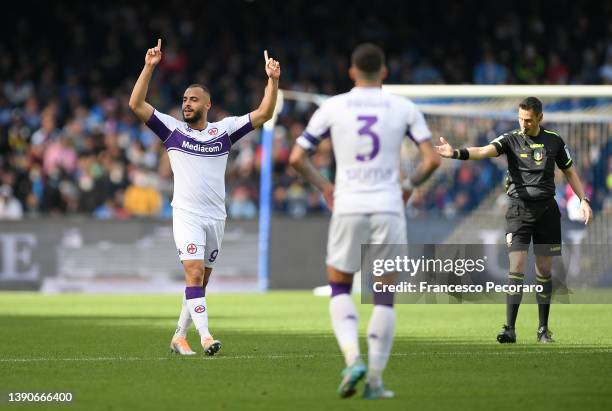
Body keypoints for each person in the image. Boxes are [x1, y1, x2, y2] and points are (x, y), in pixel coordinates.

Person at [289, 43, 440, 399]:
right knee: (384, 296)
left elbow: (296, 156)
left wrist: (326, 187)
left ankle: (352, 357)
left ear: (352, 72)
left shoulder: (333, 106)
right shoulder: (404, 108)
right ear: (384, 72)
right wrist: (406, 186)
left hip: (348, 204)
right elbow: (432, 160)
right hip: (388, 206)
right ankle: (374, 380)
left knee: (340, 286)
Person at [129, 39, 280, 356]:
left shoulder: (223, 131)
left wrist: (273, 80)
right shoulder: (171, 129)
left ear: (207, 105)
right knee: (194, 273)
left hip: (216, 217)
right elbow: (136, 105)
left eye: (193, 100)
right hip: (186, 214)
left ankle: (179, 335)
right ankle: (207, 336)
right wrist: (149, 67)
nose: (187, 104)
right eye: (184, 99)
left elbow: (265, 113)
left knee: (200, 282)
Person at [434, 96, 593, 344]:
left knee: (544, 270)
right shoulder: (510, 139)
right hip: (519, 210)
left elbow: (569, 171)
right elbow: (483, 151)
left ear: (540, 117)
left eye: (528, 120)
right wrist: (455, 152)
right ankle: (509, 328)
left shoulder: (554, 141)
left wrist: (584, 200)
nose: (524, 124)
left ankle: (543, 330)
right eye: (520, 118)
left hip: (547, 212)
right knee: (516, 267)